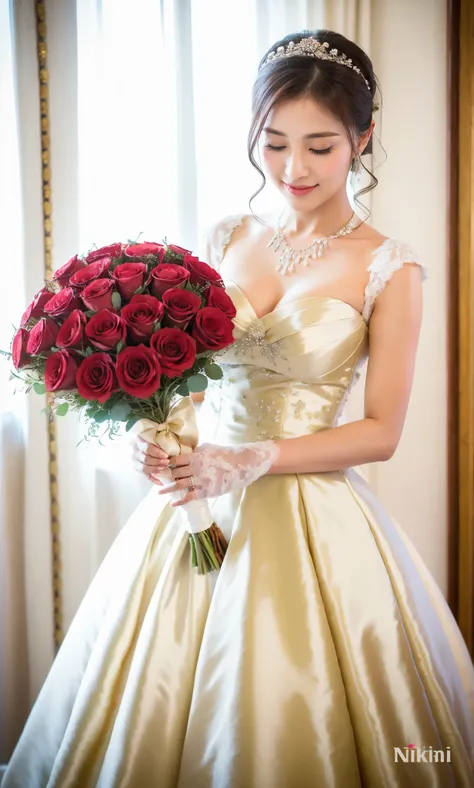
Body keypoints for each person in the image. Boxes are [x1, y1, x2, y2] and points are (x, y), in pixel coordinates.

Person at [4, 29, 474, 788]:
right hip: (198, 502)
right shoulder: (229, 235)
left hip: (309, 514)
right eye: (275, 142)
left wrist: (254, 457)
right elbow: (188, 373)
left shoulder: (391, 265)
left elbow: (383, 432)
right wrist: (156, 434)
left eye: (321, 147)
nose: (294, 168)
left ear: (363, 138)